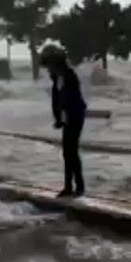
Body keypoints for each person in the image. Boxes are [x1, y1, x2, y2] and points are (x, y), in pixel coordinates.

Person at [40, 44, 87, 197]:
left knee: (70, 151)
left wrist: (64, 116)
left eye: (49, 64)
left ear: (57, 62)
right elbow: (56, 100)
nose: (48, 68)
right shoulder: (57, 78)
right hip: (68, 117)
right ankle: (70, 186)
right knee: (68, 152)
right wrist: (58, 118)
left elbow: (70, 100)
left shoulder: (69, 76)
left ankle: (76, 187)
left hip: (76, 115)